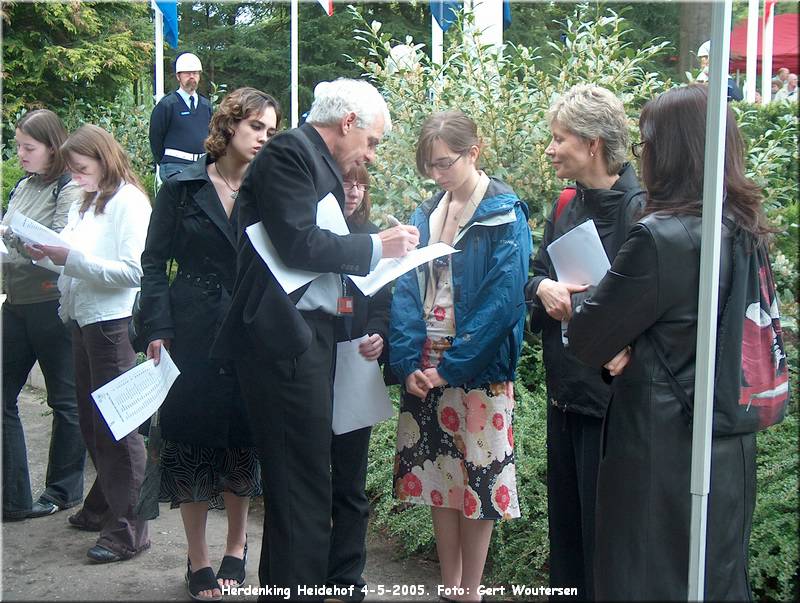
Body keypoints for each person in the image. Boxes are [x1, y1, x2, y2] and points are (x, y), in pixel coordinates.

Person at [210, 78, 419, 599]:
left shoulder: (311, 160)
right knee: (299, 486)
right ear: (348, 123)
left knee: (306, 483)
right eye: (371, 142)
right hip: (285, 341)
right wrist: (375, 245)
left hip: (311, 336)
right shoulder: (289, 152)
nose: (369, 155)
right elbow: (298, 242)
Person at [567, 84, 765, 600]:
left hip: (657, 444)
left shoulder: (663, 237)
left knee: (645, 578)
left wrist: (612, 332)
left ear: (668, 152)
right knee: (714, 576)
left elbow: (589, 337)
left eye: (645, 146)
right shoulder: (743, 229)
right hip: (728, 438)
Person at [139, 87, 280, 600]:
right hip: (191, 329)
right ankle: (197, 555)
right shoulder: (180, 186)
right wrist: (156, 328)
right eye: (255, 127)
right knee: (190, 441)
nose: (264, 137)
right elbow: (153, 264)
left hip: (250, 330)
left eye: (270, 129)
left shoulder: (269, 191)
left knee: (242, 440)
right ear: (228, 126)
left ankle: (237, 547)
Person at [390, 110, 531, 602]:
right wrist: (410, 363)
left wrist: (450, 367)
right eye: (429, 165)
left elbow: (504, 300)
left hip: (478, 369)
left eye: (445, 163)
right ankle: (448, 586)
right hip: (427, 367)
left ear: (475, 151)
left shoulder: (505, 211)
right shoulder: (426, 211)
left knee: (481, 480)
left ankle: (470, 590)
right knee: (440, 479)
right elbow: (406, 290)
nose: (436, 174)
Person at [524, 84, 645, 601]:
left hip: (616, 406)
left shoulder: (644, 209)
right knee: (567, 532)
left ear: (594, 143)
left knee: (608, 539)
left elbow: (661, 311)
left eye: (559, 139)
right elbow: (533, 273)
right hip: (565, 390)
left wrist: (629, 344)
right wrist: (542, 287)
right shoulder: (567, 201)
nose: (550, 149)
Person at [28, 124, 152, 563]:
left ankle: (130, 528)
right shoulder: (88, 199)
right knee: (92, 421)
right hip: (82, 319)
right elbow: (70, 254)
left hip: (111, 323)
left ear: (104, 159)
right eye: (72, 170)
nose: (75, 177)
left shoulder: (129, 202)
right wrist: (37, 250)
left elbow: (134, 271)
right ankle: (103, 505)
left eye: (81, 169)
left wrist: (71, 259)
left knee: (120, 427)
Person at [1, 109, 86, 522]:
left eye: (28, 147)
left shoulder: (67, 188)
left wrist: (14, 242)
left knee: (65, 401)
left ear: (53, 148)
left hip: (50, 306)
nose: (20, 154)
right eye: (18, 146)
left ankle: (63, 491)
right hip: (16, 304)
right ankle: (14, 497)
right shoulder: (23, 185)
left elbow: (56, 251)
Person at [327, 165, 392, 601]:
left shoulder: (375, 240)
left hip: (356, 369)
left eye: (360, 184)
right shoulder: (314, 234)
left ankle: (347, 575)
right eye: (346, 182)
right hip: (311, 365)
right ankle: (309, 569)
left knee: (350, 482)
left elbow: (389, 302)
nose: (353, 191)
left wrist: (381, 335)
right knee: (312, 479)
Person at [149, 52, 213, 181]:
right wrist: (164, 162)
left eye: (195, 73)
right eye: (187, 73)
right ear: (178, 76)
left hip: (201, 167)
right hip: (174, 167)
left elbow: (212, 134)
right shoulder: (167, 105)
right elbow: (155, 137)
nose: (191, 77)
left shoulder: (206, 105)